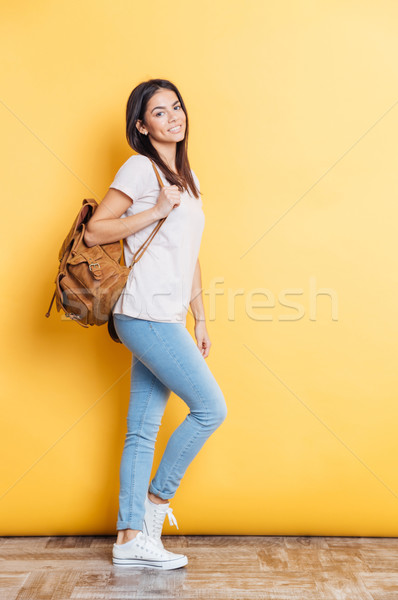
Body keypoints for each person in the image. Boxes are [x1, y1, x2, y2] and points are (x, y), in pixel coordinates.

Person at [84, 79, 227, 570]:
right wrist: (154, 210)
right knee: (211, 409)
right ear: (143, 127)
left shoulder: (190, 179)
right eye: (160, 112)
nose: (174, 117)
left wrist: (201, 317)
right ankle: (154, 506)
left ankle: (130, 540)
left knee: (142, 429)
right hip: (140, 311)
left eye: (177, 107)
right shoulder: (140, 168)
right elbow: (96, 229)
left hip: (167, 315)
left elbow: (189, 256)